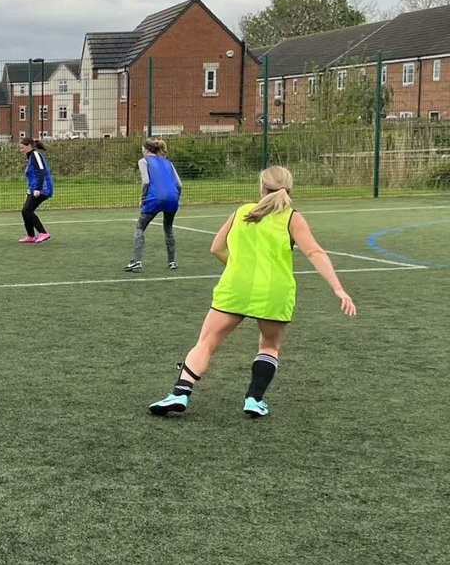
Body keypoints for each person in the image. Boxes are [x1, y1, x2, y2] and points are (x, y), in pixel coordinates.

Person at [148, 166, 356, 419]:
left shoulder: (242, 212)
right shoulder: (292, 218)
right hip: (274, 292)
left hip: (235, 288)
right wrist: (338, 288)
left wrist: (239, 268)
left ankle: (180, 393)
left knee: (206, 342)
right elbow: (314, 252)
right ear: (289, 190)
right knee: (269, 346)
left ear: (261, 188)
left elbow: (216, 248)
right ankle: (254, 400)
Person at [126, 138, 182, 272]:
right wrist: (175, 198)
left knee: (140, 227)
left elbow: (145, 181)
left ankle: (137, 262)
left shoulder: (143, 161)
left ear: (146, 150)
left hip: (154, 198)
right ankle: (172, 262)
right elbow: (179, 184)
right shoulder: (168, 163)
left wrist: (143, 198)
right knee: (168, 227)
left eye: (142, 150)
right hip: (173, 198)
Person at [18, 139, 53, 243]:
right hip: (33, 189)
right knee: (25, 212)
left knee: (27, 211)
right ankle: (31, 236)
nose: (21, 150)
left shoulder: (35, 155)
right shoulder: (30, 157)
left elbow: (41, 171)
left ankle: (43, 233)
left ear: (29, 146)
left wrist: (38, 188)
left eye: (22, 148)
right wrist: (31, 190)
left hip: (43, 188)